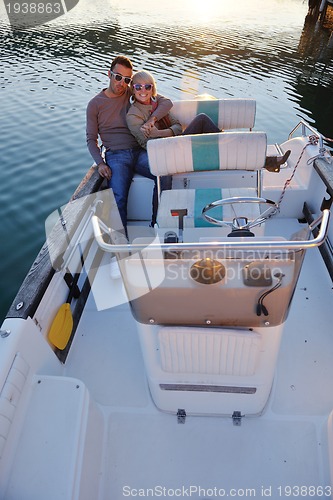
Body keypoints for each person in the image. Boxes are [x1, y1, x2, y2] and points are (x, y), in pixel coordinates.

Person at [126, 70, 290, 170]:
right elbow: (147, 145)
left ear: (152, 88)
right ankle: (262, 160)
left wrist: (158, 131)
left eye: (147, 86)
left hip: (177, 141)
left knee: (203, 120)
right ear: (132, 89)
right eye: (138, 87)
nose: (143, 90)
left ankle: (256, 157)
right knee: (215, 136)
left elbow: (177, 127)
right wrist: (160, 135)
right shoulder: (133, 115)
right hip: (169, 151)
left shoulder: (158, 103)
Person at [86, 56, 173, 234]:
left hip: (140, 150)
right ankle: (120, 244)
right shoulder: (95, 104)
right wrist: (100, 163)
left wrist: (151, 120)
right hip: (116, 155)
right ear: (109, 74)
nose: (122, 83)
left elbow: (165, 102)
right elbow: (91, 139)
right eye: (118, 77)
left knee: (164, 174)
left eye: (127, 80)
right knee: (117, 196)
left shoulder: (133, 92)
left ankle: (156, 226)